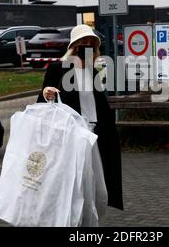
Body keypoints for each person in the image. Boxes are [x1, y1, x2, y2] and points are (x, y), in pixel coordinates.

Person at [37, 24, 123, 211]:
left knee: (93, 179)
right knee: (73, 179)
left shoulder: (93, 71)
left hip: (94, 133)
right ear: (74, 46)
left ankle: (89, 215)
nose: (87, 46)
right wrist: (47, 92)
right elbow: (43, 99)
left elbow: (98, 104)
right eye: (83, 43)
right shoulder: (58, 68)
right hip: (72, 134)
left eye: (91, 43)